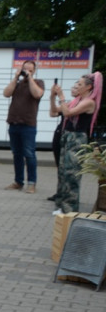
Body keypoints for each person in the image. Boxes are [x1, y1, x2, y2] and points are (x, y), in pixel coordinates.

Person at [49, 72, 101, 214]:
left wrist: (61, 97)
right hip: (66, 137)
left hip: (77, 139)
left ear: (89, 87)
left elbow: (68, 113)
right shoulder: (75, 101)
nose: (75, 86)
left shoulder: (89, 102)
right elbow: (53, 112)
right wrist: (52, 97)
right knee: (62, 172)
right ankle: (60, 204)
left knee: (72, 174)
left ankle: (70, 208)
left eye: (79, 84)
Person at [3, 60, 46, 193]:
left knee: (29, 154)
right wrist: (16, 77)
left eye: (30, 70)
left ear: (34, 71)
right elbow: (6, 93)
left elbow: (37, 94)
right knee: (17, 154)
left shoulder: (38, 82)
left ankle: (32, 183)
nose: (26, 72)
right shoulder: (17, 83)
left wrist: (30, 78)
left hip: (28, 124)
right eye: (25, 69)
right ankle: (18, 181)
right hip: (14, 123)